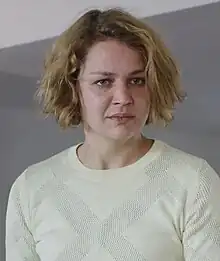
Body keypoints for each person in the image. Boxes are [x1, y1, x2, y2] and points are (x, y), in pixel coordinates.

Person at [5, 7, 220, 261]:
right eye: (103, 82)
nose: (123, 98)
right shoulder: (31, 188)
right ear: (74, 89)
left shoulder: (193, 181)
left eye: (137, 81)